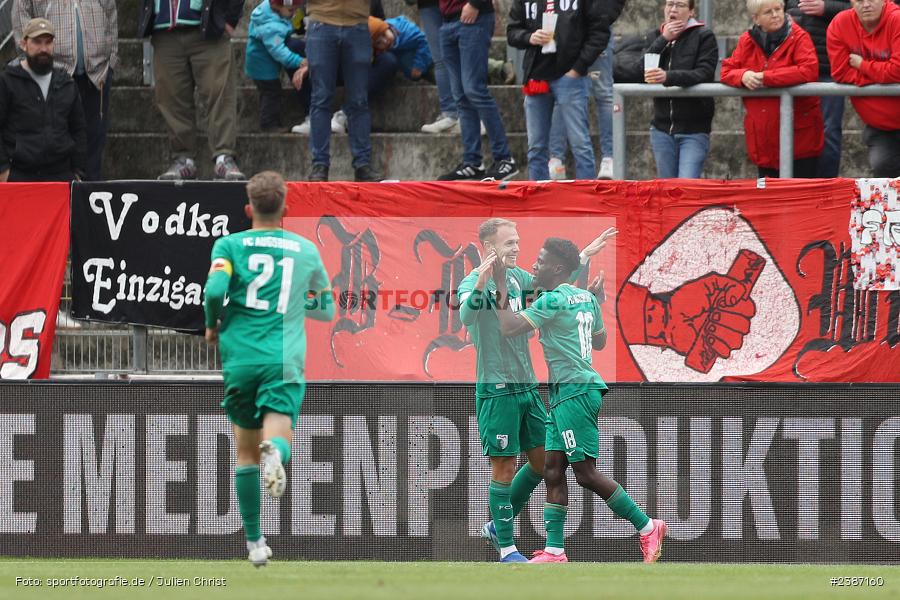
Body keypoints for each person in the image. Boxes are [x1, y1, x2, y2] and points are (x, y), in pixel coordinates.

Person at [492, 237, 667, 564]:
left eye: (541, 261)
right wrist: (596, 300)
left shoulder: (554, 300)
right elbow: (599, 342)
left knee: (585, 473)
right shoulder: (585, 298)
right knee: (552, 468)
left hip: (574, 391)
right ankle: (555, 551)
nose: (535, 265)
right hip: (565, 393)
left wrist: (500, 282)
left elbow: (509, 327)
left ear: (557, 268)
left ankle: (647, 527)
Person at [457, 219, 616, 562]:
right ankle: (507, 549)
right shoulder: (472, 281)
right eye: (510, 243)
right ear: (489, 249)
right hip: (496, 389)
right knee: (502, 467)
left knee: (543, 463)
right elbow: (466, 316)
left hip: (527, 387)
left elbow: (556, 282)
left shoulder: (517, 279)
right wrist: (484, 280)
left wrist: (584, 256)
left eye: (517, 241)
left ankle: (497, 526)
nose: (517, 248)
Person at [203, 171, 334, 566]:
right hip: (282, 357)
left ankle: (255, 542)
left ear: (248, 209)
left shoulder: (229, 245)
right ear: (286, 209)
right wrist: (295, 303)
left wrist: (212, 325)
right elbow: (327, 309)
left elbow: (213, 290)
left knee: (244, 452)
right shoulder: (305, 250)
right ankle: (275, 453)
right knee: (276, 436)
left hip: (240, 358)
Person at [139, 0, 246, 181]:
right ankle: (183, 159)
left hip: (209, 27)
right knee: (171, 97)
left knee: (220, 93)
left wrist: (229, 18)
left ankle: (223, 156)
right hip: (163, 28)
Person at [13, 0, 117, 181]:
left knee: (93, 143)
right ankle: (58, 201)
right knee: (54, 144)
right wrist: (31, 61)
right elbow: (21, 14)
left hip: (96, 74)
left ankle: (90, 200)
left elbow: (111, 13)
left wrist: (112, 60)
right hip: (51, 75)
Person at [507, 0, 611, 181]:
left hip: (570, 76)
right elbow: (512, 31)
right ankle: (537, 200)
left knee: (580, 145)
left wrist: (578, 68)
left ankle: (586, 200)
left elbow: (599, 32)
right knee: (536, 148)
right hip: (536, 76)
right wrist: (529, 37)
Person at [721, 0, 824, 178]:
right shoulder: (747, 40)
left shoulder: (799, 37)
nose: (776, 15)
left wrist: (766, 77)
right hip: (764, 142)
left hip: (800, 139)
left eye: (778, 9)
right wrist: (743, 75)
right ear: (756, 18)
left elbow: (808, 70)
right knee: (769, 200)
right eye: (768, 12)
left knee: (801, 196)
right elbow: (726, 71)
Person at [437, 0, 518, 181]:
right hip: (446, 20)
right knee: (460, 95)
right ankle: (472, 161)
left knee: (474, 90)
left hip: (474, 16)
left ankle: (504, 158)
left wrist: (475, 3)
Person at [0, 18, 86, 182]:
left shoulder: (67, 83)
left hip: (61, 176)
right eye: (37, 42)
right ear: (24, 44)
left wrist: (78, 171)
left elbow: (79, 130)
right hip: (19, 176)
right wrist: (3, 171)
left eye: (48, 42)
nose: (43, 49)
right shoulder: (7, 81)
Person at [305, 0, 381, 182]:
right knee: (321, 98)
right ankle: (319, 164)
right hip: (321, 22)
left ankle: (362, 164)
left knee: (359, 100)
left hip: (358, 24)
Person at [827, 0, 900, 177]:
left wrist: (863, 65)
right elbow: (840, 73)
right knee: (883, 176)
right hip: (879, 125)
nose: (866, 5)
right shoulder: (840, 24)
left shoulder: (896, 19)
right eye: (859, 0)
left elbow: (897, 71)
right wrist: (882, 75)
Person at [787, 0, 851, 177]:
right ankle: (795, 188)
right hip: (793, 67)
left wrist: (827, 8)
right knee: (791, 130)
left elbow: (865, 8)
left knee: (828, 131)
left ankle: (826, 188)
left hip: (828, 67)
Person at [245, 0, 309, 133]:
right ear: (276, 7)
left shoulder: (273, 14)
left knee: (269, 93)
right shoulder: (270, 28)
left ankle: (271, 121)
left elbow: (286, 25)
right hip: (263, 69)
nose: (293, 14)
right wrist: (299, 61)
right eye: (291, 11)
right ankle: (269, 124)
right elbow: (279, 51)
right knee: (271, 93)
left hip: (262, 66)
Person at [418, 0, 460, 133]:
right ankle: (451, 113)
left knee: (455, 58)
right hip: (430, 5)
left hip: (455, 6)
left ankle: (461, 113)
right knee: (441, 60)